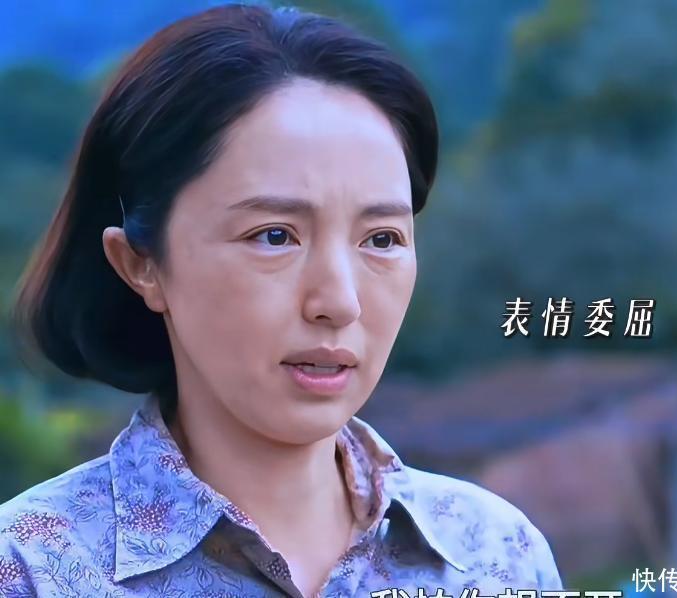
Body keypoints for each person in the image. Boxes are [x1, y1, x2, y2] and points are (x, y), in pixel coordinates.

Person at [0, 4, 563, 597]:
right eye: (274, 236)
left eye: (382, 239)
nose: (339, 302)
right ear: (142, 263)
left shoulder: (494, 555)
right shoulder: (32, 568)